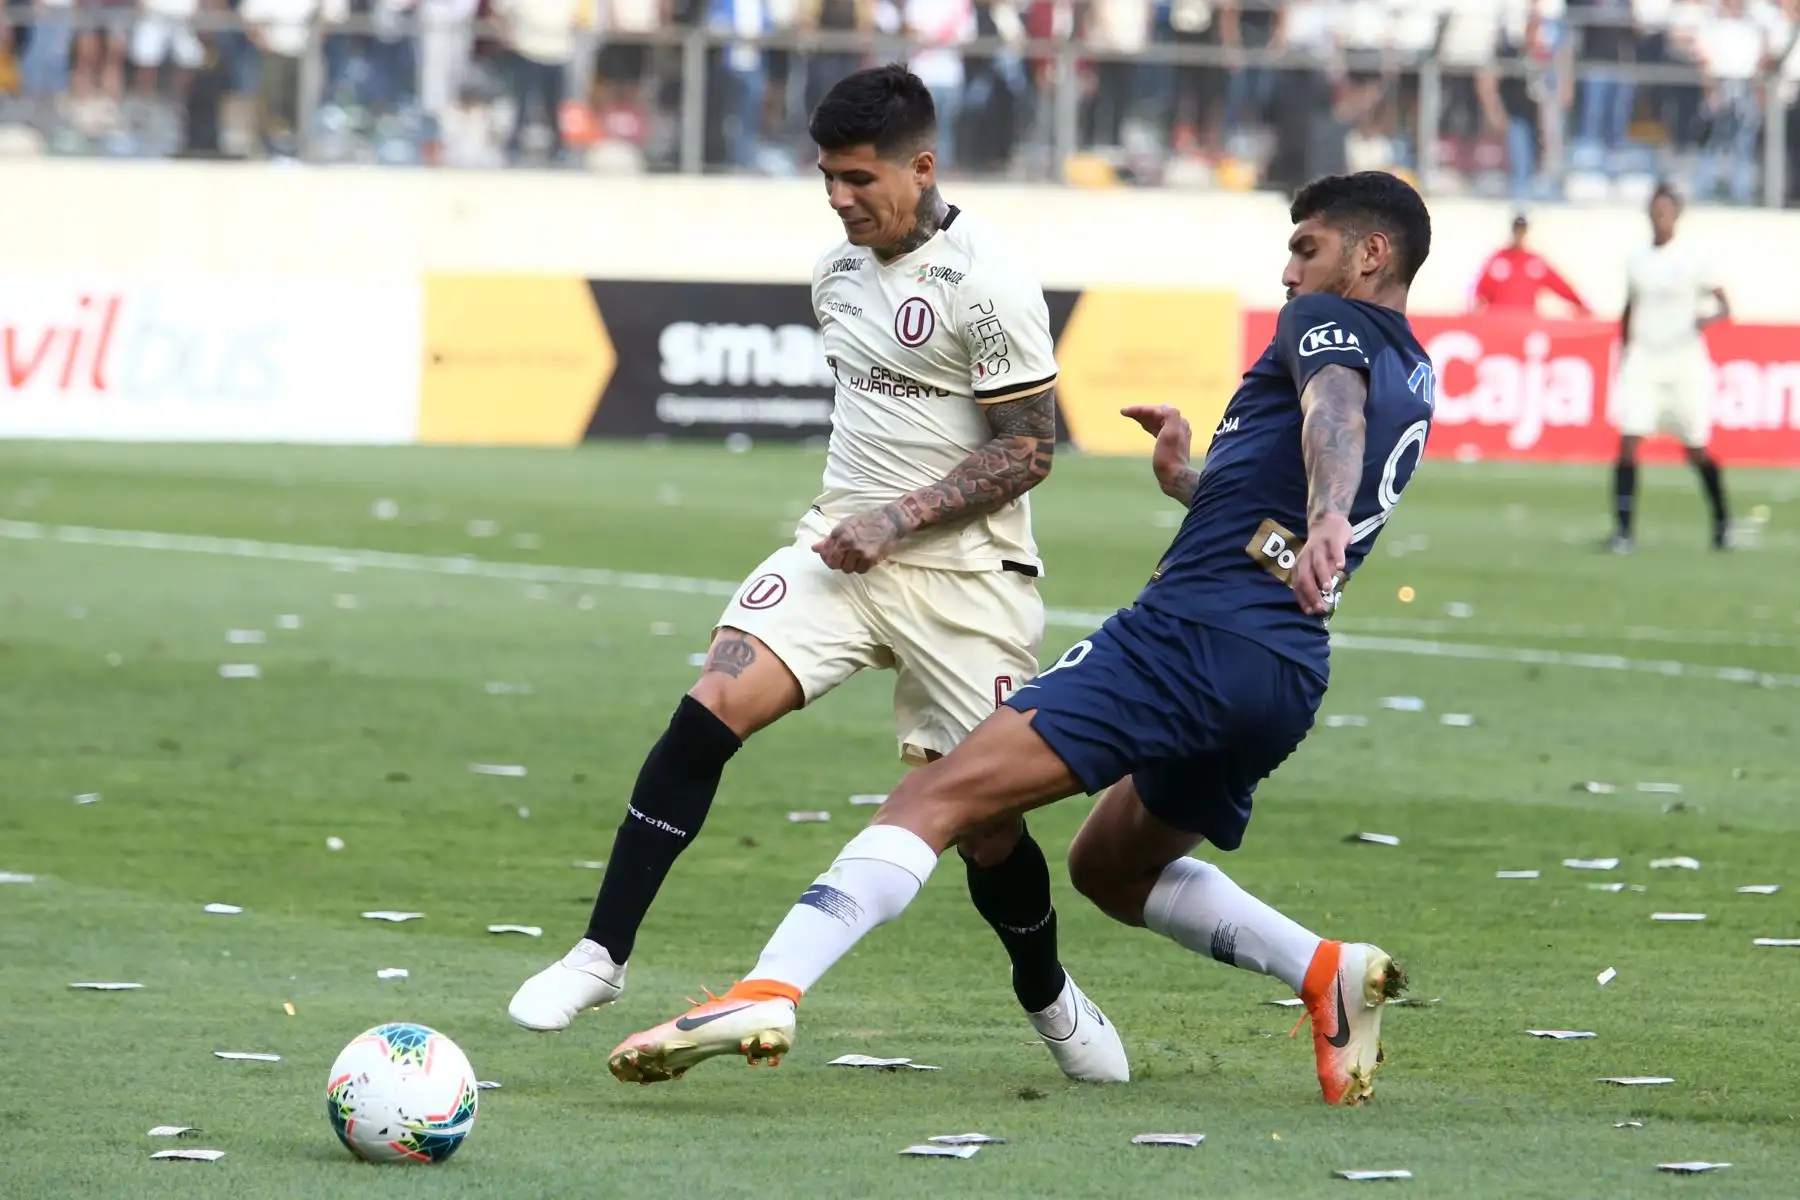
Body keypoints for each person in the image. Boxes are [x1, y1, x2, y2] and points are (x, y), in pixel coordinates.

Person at [608, 171, 1437, 1107]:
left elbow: (1334, 413)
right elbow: (1285, 513)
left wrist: (1327, 511)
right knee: (1109, 869)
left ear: (1372, 255)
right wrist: (1190, 484)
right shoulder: (1417, 368)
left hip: (1187, 637)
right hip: (1285, 670)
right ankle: (1325, 970)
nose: (1289, 271)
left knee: (936, 796)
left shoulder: (1325, 331)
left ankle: (767, 990)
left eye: (1307, 248)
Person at [508, 63, 1129, 1085]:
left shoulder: (991, 282)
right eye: (825, 179)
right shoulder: (834, 274)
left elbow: (1029, 450)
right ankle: (600, 955)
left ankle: (1048, 995)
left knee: (985, 828)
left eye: (856, 178)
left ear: (921, 166)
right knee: (710, 708)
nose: (838, 198)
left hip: (968, 580)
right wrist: (863, 523)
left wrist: (900, 518)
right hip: (839, 553)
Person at [1610, 184, 1731, 554]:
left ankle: (1722, 520)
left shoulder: (1693, 257)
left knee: (1696, 447)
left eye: (1666, 211)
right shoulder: (1638, 259)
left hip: (1684, 363)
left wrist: (1702, 321)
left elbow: (1725, 304)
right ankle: (1624, 531)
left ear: (1677, 215)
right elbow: (1629, 309)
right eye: (1654, 211)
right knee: (1629, 442)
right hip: (1644, 361)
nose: (1660, 218)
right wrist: (1625, 351)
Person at [1470, 213, 1590, 317]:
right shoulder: (1498, 261)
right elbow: (1480, 292)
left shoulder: (1534, 263)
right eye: (1517, 230)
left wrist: (1581, 305)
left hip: (1527, 325)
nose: (1519, 234)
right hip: (1501, 326)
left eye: (1522, 230)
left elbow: (1561, 286)